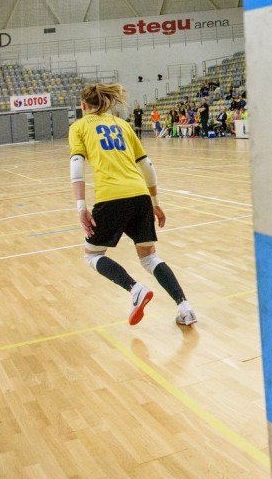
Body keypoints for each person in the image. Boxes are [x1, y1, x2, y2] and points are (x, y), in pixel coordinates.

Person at [70, 82, 197, 327]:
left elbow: (76, 165)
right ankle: (185, 307)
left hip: (111, 196)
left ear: (83, 105)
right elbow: (147, 165)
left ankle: (135, 289)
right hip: (140, 195)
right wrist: (155, 202)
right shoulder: (123, 125)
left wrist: (81, 208)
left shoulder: (79, 127)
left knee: (92, 255)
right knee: (149, 257)